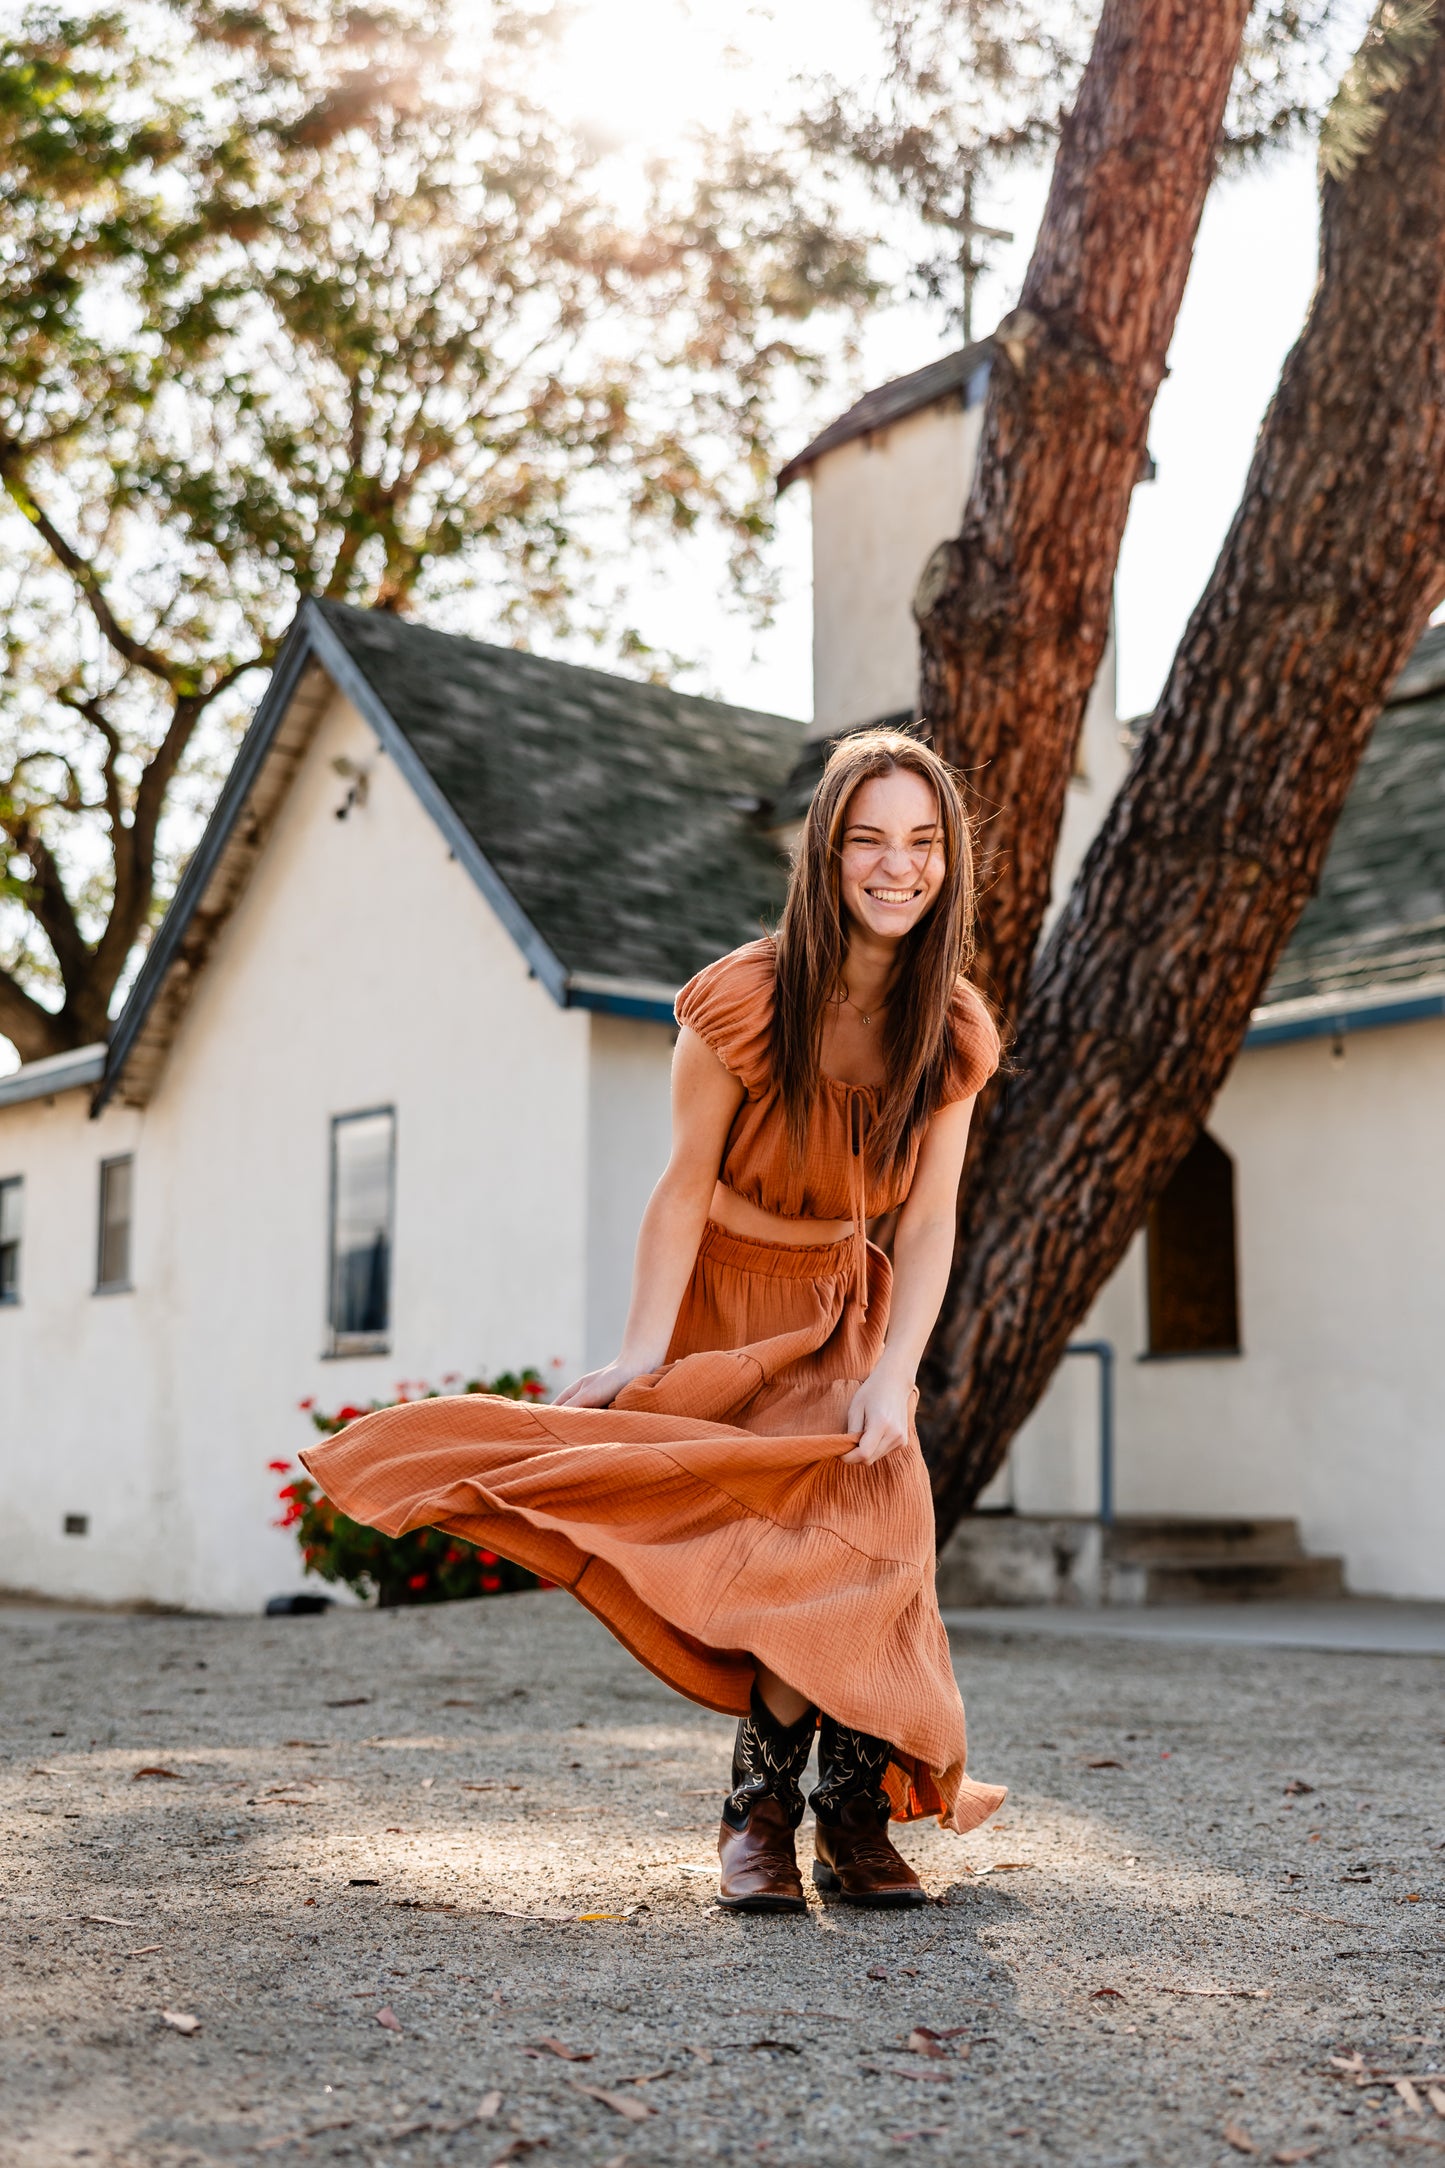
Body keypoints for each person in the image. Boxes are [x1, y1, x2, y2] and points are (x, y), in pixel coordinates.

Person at [300, 728, 1007, 1914]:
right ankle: (768, 1810)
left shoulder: (953, 1029)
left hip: (842, 1304)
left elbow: (928, 1223)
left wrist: (895, 1373)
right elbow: (681, 1186)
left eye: (923, 842)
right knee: (788, 1546)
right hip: (729, 1305)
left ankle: (836, 1803)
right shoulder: (738, 1001)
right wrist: (641, 1350)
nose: (898, 866)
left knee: (870, 1524)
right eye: (868, 840)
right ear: (825, 855)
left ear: (950, 861)